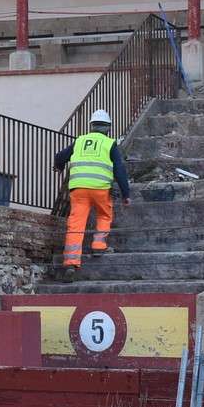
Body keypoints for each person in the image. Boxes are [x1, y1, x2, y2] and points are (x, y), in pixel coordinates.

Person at [53, 109, 131, 281]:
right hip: (100, 189)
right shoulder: (110, 143)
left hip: (78, 189)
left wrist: (58, 166)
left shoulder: (80, 141)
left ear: (92, 126)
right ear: (108, 127)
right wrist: (126, 193)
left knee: (76, 224)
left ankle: (71, 262)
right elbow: (119, 169)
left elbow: (60, 156)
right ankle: (98, 245)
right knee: (104, 214)